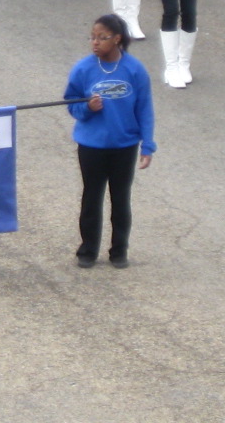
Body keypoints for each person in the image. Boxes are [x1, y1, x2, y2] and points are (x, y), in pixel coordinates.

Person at [63, 13, 154, 269]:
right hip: (91, 145)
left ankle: (119, 251)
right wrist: (87, 109)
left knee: (120, 199)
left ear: (117, 39)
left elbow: (145, 109)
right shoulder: (83, 69)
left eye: (102, 38)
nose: (95, 43)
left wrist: (148, 144)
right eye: (92, 37)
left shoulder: (135, 70)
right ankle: (88, 250)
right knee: (92, 197)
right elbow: (72, 102)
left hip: (124, 146)